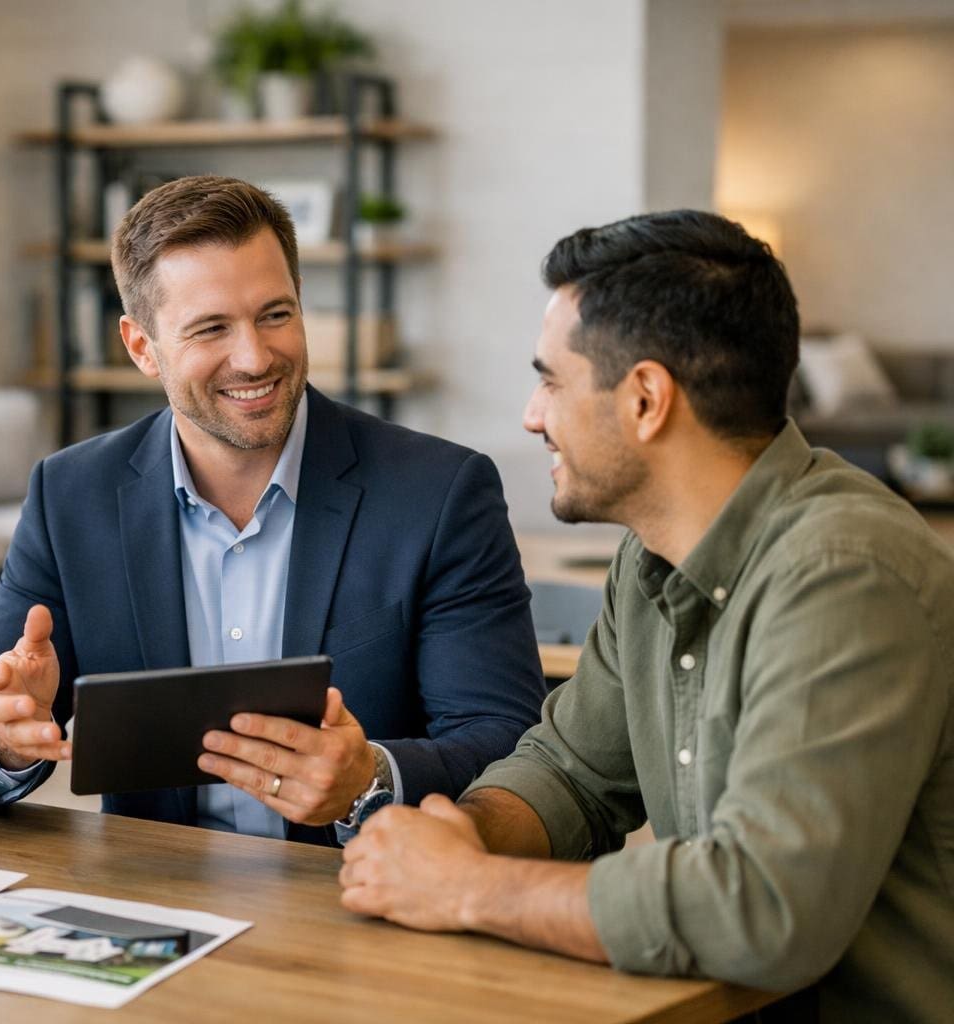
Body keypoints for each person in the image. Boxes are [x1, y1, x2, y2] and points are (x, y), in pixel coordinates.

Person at [338, 210, 954, 1021]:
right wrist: (453, 835)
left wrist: (471, 887)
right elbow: (571, 772)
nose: (533, 414)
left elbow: (763, 908)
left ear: (646, 400)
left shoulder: (843, 572)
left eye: (551, 380)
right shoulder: (651, 557)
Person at [0, 176, 546, 844]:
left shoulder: (441, 493)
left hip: (360, 898)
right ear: (140, 347)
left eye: (275, 314)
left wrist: (372, 777)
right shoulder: (73, 496)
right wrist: (3, 732)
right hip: (159, 902)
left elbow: (514, 750)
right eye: (211, 328)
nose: (255, 357)